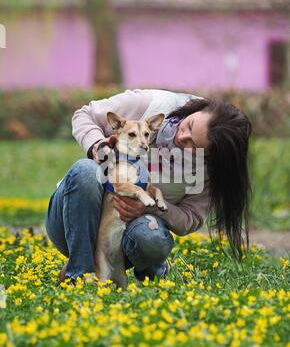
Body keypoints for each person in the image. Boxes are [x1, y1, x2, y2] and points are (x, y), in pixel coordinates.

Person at [46, 89, 252, 283]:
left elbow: (189, 218)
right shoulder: (149, 104)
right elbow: (84, 115)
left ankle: (151, 271)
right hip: (71, 223)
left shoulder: (208, 168)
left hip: (125, 237)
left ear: (210, 156)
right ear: (197, 109)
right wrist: (97, 145)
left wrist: (151, 206)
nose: (181, 138)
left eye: (193, 146)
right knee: (85, 171)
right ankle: (80, 273)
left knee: (151, 236)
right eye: (188, 125)